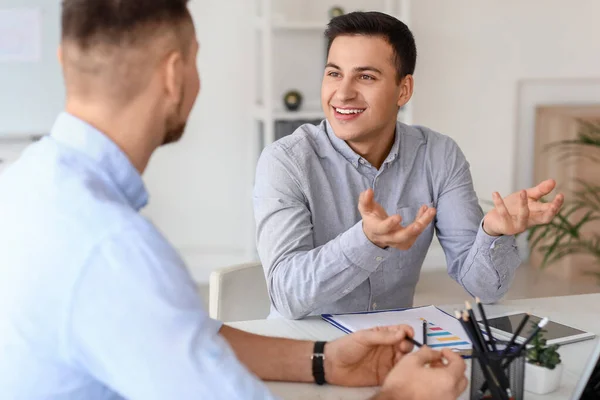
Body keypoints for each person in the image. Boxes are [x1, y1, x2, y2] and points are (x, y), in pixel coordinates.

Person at [0, 1, 468, 399]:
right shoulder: (114, 249)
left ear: (65, 61)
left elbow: (180, 333)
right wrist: (401, 395)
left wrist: (323, 360)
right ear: (174, 75)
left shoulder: (27, 184)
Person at [253, 11, 564, 319]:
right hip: (308, 352)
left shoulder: (439, 155)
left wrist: (493, 232)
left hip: (395, 349)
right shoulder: (286, 161)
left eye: (365, 77)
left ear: (403, 90)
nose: (343, 93)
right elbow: (286, 296)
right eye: (334, 73)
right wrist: (366, 240)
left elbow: (485, 290)